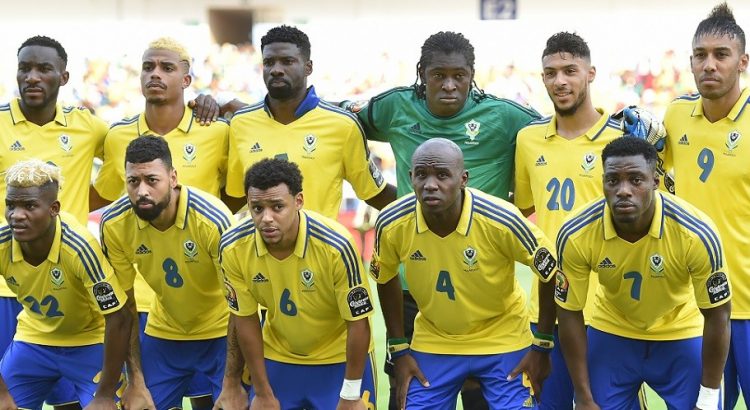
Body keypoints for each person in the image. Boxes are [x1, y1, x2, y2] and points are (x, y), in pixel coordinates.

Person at [345, 31, 541, 408]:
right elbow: (339, 125)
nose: (449, 85)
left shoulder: (504, 116)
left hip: (481, 279)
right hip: (414, 282)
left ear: (472, 75)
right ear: (421, 73)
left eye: (459, 76)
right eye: (438, 75)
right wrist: (384, 196)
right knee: (405, 392)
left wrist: (511, 207)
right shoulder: (394, 107)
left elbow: (554, 137)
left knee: (482, 399)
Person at [91, 37, 232, 408]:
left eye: (167, 68)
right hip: (143, 294)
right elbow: (103, 194)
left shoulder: (217, 129)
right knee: (142, 396)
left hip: (209, 293)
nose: (155, 74)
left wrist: (228, 103)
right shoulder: (118, 134)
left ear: (188, 80)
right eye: (148, 67)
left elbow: (234, 195)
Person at [371, 138, 558, 409]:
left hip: (502, 335)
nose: (430, 184)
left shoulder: (500, 219)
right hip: (436, 338)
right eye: (421, 175)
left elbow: (551, 271)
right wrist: (399, 348)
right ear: (411, 177)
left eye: (442, 175)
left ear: (463, 179)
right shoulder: (392, 222)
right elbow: (385, 275)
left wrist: (542, 345)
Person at [556, 137, 731, 409]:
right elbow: (568, 312)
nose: (623, 190)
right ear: (602, 182)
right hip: (613, 330)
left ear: (656, 182)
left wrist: (708, 399)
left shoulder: (696, 233)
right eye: (613, 180)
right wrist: (583, 396)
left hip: (680, 331)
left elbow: (719, 314)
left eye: (636, 180)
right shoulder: (576, 233)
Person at [514, 32, 624, 408]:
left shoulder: (622, 138)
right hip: (546, 308)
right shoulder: (528, 140)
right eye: (550, 73)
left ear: (590, 73)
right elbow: (527, 208)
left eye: (569, 70)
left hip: (610, 308)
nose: (559, 81)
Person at [220, 158, 376, 409]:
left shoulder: (337, 246)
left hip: (339, 361)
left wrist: (350, 394)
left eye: (277, 207)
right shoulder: (233, 247)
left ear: (299, 201)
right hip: (279, 357)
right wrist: (261, 391)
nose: (266, 218)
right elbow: (245, 319)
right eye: (257, 208)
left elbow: (358, 323)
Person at [98, 136, 233, 409]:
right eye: (133, 181)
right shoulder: (114, 223)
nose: (141, 191)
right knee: (137, 404)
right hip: (165, 333)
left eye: (152, 180)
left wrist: (231, 382)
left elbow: (241, 305)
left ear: (173, 178)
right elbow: (124, 307)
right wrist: (135, 380)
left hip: (222, 333)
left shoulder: (212, 220)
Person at [660, 3, 749, 407]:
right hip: (695, 310)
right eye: (700, 56)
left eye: (721, 55)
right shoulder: (677, 115)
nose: (708, 65)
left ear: (743, 62)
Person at [225, 25, 396, 218]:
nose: (276, 70)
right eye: (269, 62)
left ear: (308, 67)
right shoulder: (241, 123)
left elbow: (375, 193)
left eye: (287, 61)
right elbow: (236, 195)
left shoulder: (342, 124)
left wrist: (428, 210)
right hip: (258, 247)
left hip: (320, 247)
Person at [0, 159, 131, 409]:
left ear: (54, 208)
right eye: (10, 205)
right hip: (34, 339)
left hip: (89, 342)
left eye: (29, 206)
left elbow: (119, 317)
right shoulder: (2, 242)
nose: (16, 215)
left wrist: (104, 396)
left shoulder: (79, 248)